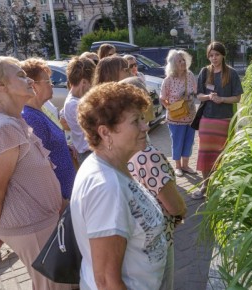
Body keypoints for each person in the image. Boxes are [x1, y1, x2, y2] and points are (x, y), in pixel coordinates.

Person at [0, 56, 70, 290]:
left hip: (40, 223)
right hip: (32, 227)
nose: (28, 79)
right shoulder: (4, 128)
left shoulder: (7, 121)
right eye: (20, 75)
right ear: (0, 85)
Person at [70, 82, 167, 290]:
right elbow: (106, 282)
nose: (145, 126)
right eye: (135, 121)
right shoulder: (106, 188)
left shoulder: (113, 165)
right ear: (105, 133)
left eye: (142, 118)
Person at [122, 77, 187, 290]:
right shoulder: (147, 154)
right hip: (158, 238)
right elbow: (174, 205)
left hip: (137, 241)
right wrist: (181, 212)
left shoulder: (120, 150)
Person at [192, 41, 243, 199]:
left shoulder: (232, 73)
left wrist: (222, 99)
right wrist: (208, 97)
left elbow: (237, 97)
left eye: (217, 55)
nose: (214, 58)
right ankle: (205, 186)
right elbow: (199, 95)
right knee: (205, 153)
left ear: (223, 55)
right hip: (207, 119)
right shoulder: (204, 72)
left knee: (223, 154)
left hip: (224, 121)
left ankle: (223, 185)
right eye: (211, 55)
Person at [20, 57, 76, 199]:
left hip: (65, 191)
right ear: (33, 85)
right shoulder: (31, 118)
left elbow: (50, 144)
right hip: (58, 198)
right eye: (48, 81)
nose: (52, 85)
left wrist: (64, 147)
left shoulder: (41, 110)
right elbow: (41, 165)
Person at [160, 49, 197, 177]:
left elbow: (195, 92)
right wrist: (169, 108)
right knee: (177, 142)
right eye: (179, 61)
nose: (182, 62)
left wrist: (190, 97)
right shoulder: (168, 80)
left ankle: (186, 165)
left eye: (183, 60)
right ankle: (178, 167)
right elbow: (162, 98)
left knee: (189, 142)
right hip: (175, 118)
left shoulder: (190, 75)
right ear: (173, 64)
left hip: (190, 116)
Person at [63, 56, 96, 164]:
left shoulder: (76, 99)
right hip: (89, 154)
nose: (92, 86)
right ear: (84, 82)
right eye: (91, 82)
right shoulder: (75, 104)